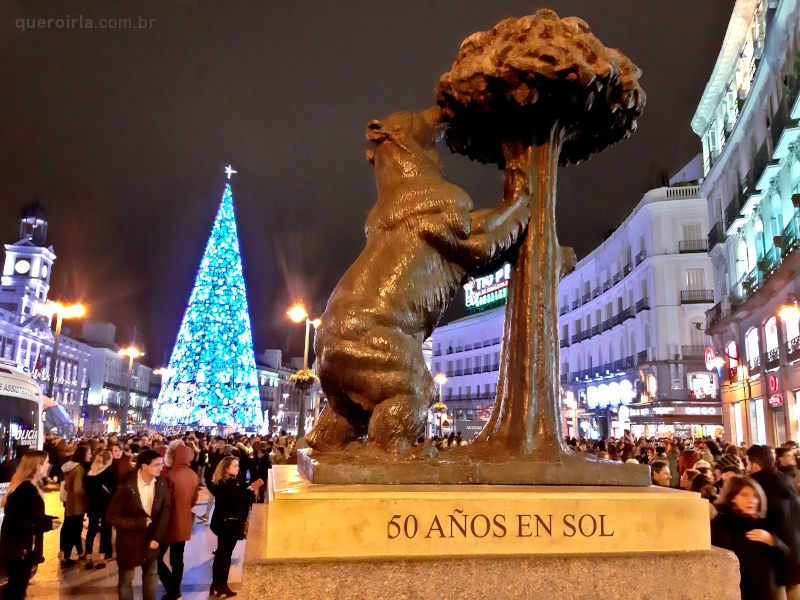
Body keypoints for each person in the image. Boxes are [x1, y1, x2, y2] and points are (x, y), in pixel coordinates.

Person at [107, 449, 171, 600]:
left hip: (151, 541)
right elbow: (112, 516)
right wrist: (139, 523)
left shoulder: (161, 482)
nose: (160, 468)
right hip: (129, 542)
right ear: (144, 466)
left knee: (151, 577)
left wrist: (157, 537)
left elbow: (165, 510)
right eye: (156, 465)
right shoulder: (127, 486)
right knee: (126, 580)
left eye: (161, 464)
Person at [712, 476, 789, 600]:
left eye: (755, 496)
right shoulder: (722, 523)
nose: (752, 500)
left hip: (765, 594)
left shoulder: (762, 523)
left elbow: (785, 558)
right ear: (732, 498)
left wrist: (773, 541)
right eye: (744, 495)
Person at [0, 451, 61, 599]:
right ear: (38, 466)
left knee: (17, 589)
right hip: (19, 552)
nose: (48, 465)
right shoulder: (23, 490)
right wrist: (46, 523)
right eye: (46, 462)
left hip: (23, 551)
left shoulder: (30, 488)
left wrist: (49, 519)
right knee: (16, 591)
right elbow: (17, 523)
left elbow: (30, 515)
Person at [745, 445, 800, 599]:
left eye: (747, 463)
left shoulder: (755, 486)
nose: (746, 467)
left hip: (772, 559)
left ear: (755, 466)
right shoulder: (786, 480)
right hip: (794, 554)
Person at [209, 456, 256, 598]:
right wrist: (250, 490)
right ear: (226, 469)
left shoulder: (219, 482)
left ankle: (216, 584)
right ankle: (222, 585)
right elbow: (238, 499)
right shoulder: (230, 484)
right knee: (225, 555)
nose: (238, 468)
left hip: (221, 522)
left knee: (220, 554)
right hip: (230, 523)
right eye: (235, 466)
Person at [158, 445, 198, 600]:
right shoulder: (193, 475)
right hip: (185, 520)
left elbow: (165, 503)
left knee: (155, 558)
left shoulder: (170, 477)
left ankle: (173, 590)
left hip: (169, 522)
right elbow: (193, 500)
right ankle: (175, 590)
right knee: (177, 558)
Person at [84, 450, 116, 569]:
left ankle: (88, 558)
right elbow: (114, 490)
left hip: (92, 505)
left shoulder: (89, 474)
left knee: (91, 531)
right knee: (105, 531)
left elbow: (86, 492)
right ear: (107, 461)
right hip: (106, 505)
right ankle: (101, 558)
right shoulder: (109, 472)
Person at [60, 444, 90, 565]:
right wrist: (86, 492)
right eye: (89, 453)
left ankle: (79, 553)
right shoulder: (79, 469)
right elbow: (78, 489)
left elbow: (67, 486)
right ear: (83, 455)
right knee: (75, 530)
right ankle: (66, 557)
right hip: (77, 504)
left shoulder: (69, 467)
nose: (91, 455)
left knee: (71, 529)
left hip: (70, 502)